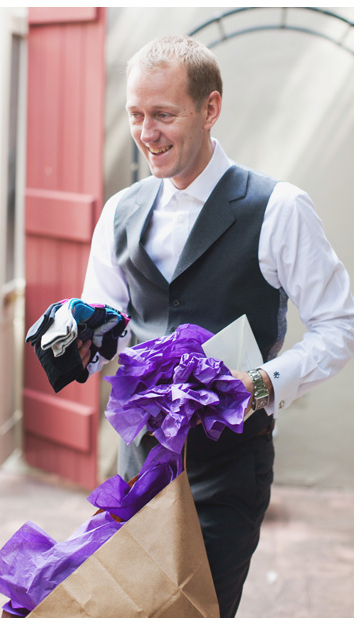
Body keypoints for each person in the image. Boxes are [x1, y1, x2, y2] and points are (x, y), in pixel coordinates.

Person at [78, 35, 353, 617]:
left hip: (228, 471)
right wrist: (80, 339)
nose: (145, 132)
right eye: (135, 115)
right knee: (133, 609)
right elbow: (107, 331)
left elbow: (339, 326)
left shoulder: (278, 208)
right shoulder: (119, 212)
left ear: (210, 108)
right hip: (139, 462)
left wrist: (262, 385)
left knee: (199, 611)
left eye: (162, 115)